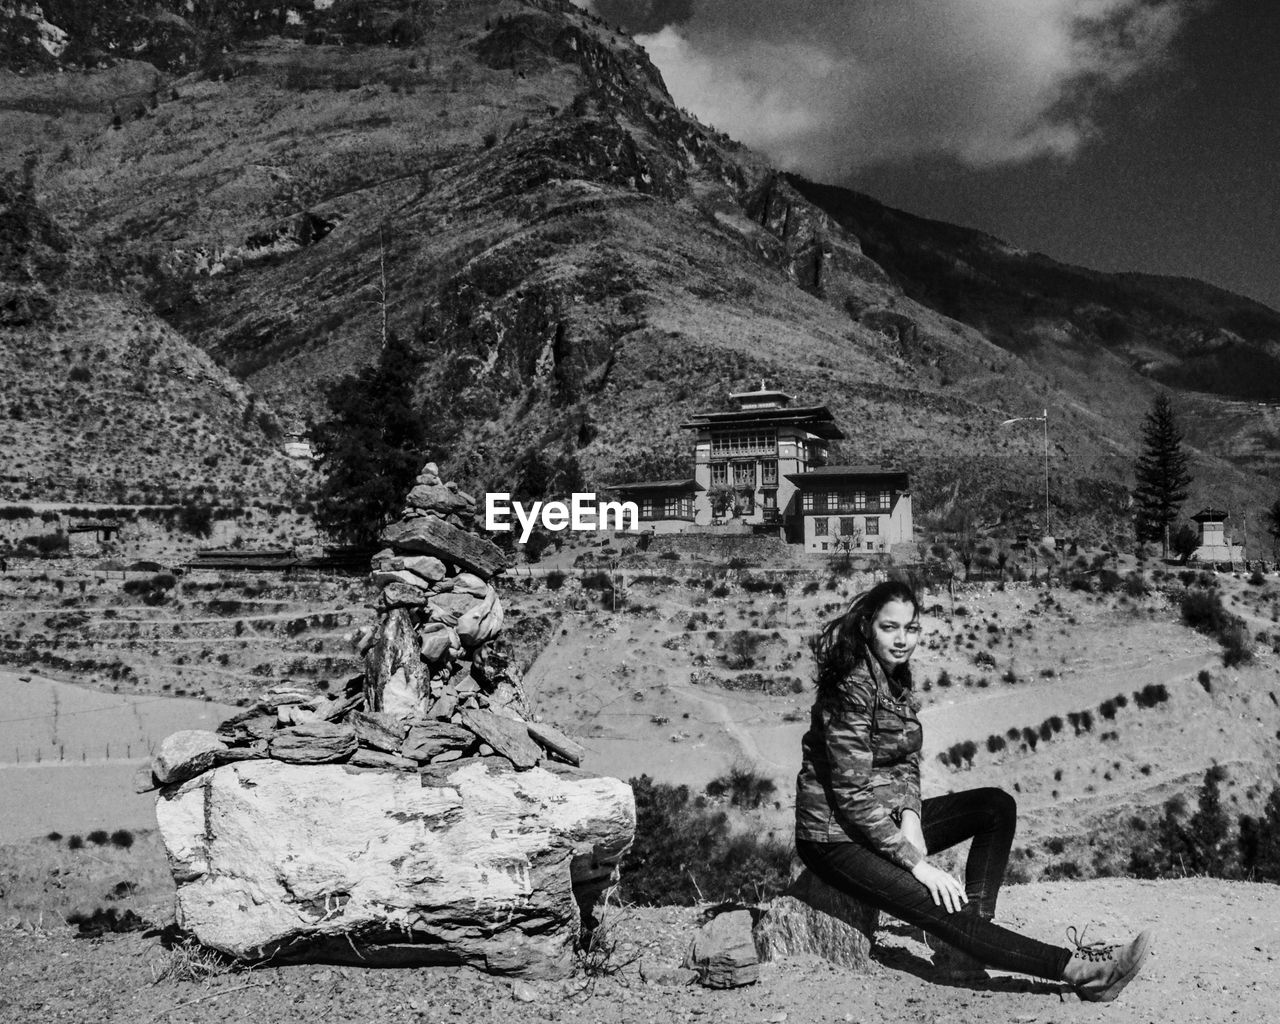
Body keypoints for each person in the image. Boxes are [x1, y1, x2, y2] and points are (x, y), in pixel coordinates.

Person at [794, 579, 1150, 1002]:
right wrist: (916, 864)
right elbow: (851, 794)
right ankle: (1082, 974)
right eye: (891, 628)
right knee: (939, 905)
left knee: (995, 807)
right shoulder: (851, 686)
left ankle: (965, 945)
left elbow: (906, 756)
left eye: (911, 628)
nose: (902, 639)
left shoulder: (894, 675)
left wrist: (911, 814)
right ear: (868, 624)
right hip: (834, 837)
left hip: (882, 817)